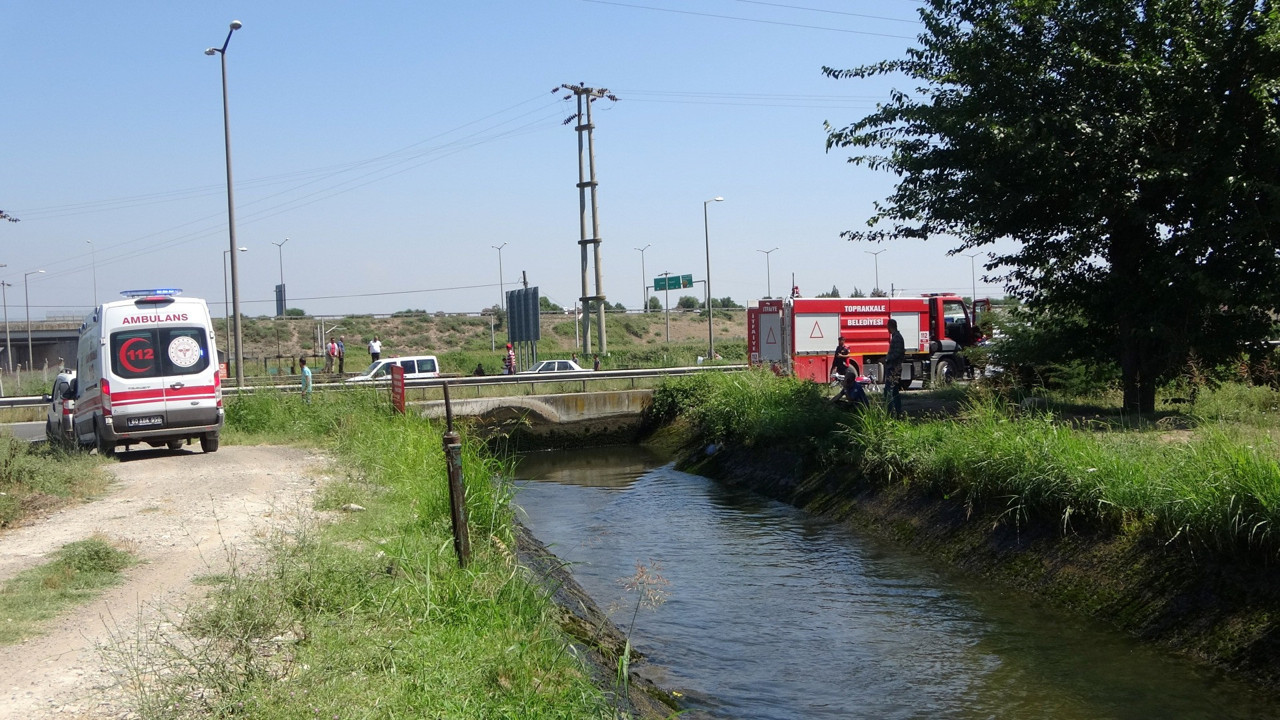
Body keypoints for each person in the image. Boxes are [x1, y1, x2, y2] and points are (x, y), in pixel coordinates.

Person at [884, 318, 905, 414]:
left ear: (890, 326)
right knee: (894, 390)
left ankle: (890, 412)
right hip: (894, 367)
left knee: (889, 391)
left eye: (887, 326)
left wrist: (886, 359)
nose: (887, 328)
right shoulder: (896, 337)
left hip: (893, 368)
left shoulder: (897, 338)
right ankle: (897, 411)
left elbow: (897, 353)